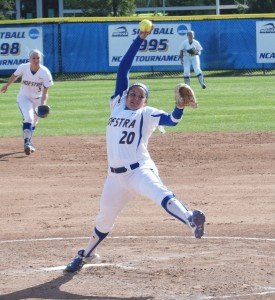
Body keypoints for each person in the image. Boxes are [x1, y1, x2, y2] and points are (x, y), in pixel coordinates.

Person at [65, 26, 206, 273]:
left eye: (140, 96)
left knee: (159, 193)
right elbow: (124, 68)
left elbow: (171, 120)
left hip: (139, 170)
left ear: (146, 101)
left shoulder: (147, 114)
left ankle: (191, 219)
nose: (134, 97)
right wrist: (139, 40)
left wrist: (179, 107)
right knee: (104, 218)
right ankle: (86, 254)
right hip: (115, 178)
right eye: (132, 93)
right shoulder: (117, 106)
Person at [1, 49, 53, 155]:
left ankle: (29, 142)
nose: (36, 60)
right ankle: (27, 143)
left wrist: (42, 104)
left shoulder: (45, 72)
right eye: (33, 58)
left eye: (38, 58)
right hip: (24, 97)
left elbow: (45, 92)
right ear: (29, 59)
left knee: (34, 121)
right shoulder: (23, 67)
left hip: (38, 99)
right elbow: (15, 75)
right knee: (28, 117)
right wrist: (7, 85)